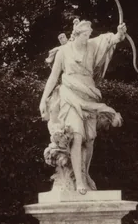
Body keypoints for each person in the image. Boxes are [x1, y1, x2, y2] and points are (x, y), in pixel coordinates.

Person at [39, 19, 127, 194]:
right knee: (77, 135)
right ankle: (78, 181)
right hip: (69, 96)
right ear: (76, 34)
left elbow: (109, 40)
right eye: (84, 35)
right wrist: (43, 100)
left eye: (89, 35)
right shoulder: (64, 52)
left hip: (89, 94)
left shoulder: (92, 46)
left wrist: (120, 34)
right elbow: (53, 77)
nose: (87, 38)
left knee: (90, 139)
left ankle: (84, 175)